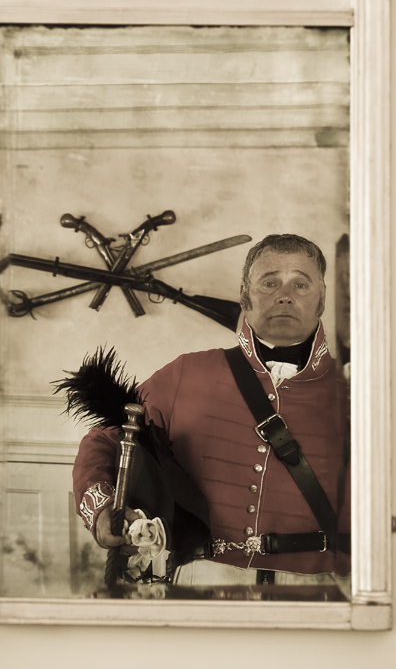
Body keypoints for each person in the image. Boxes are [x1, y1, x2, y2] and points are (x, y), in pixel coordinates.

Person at [71, 233, 350, 583]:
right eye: (269, 282)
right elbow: (106, 440)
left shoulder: (355, 392)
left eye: (301, 284)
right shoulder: (187, 373)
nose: (284, 295)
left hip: (316, 588)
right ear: (244, 295)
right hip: (199, 581)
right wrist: (101, 511)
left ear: (321, 298)